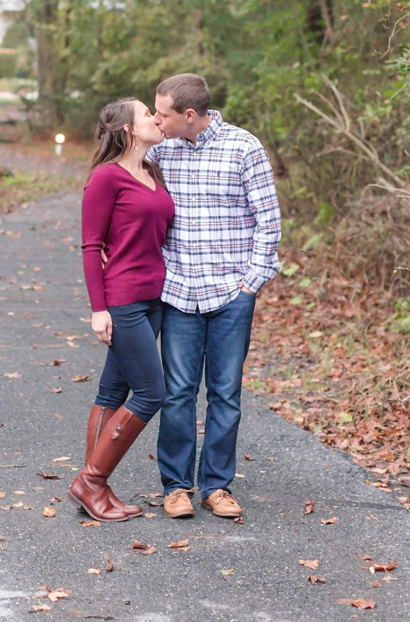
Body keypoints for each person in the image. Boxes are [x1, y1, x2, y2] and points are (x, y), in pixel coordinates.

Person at [150, 72, 282, 520]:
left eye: (162, 113)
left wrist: (251, 284)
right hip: (179, 293)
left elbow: (269, 222)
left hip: (231, 294)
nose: (155, 119)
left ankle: (217, 486)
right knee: (178, 391)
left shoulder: (245, 148)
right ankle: (176, 486)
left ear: (189, 115)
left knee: (225, 393)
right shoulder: (158, 151)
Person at [69, 98, 176, 522]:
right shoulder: (105, 179)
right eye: (147, 113)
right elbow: (91, 246)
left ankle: (95, 484)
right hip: (125, 300)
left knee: (112, 392)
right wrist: (100, 309)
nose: (155, 117)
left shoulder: (152, 170)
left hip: (155, 298)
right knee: (152, 392)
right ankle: (90, 482)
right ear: (129, 129)